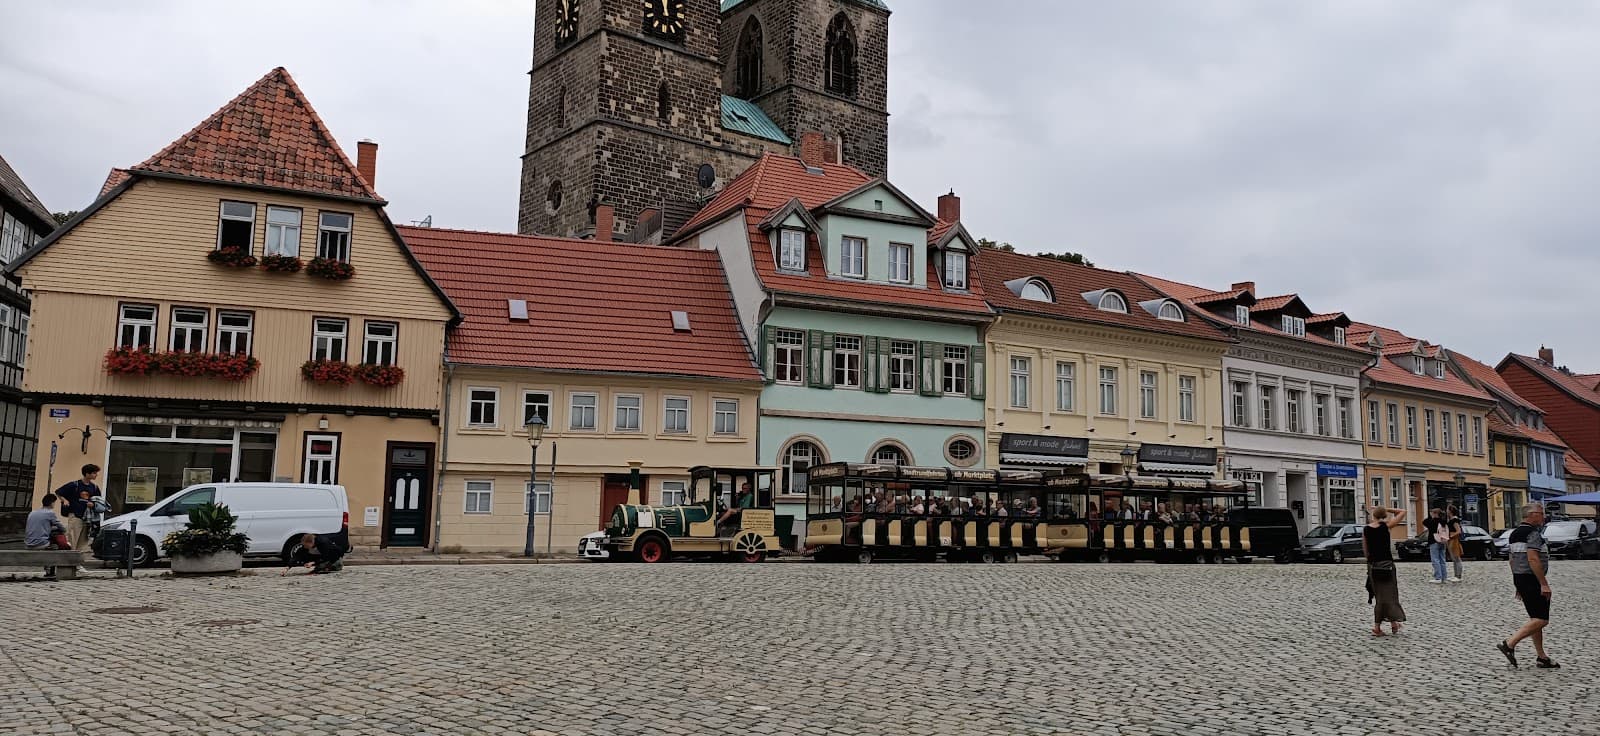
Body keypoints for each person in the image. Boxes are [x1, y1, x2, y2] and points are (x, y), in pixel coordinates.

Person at [1497, 504, 1558, 669]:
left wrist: (1517, 582)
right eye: (1541, 513)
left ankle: (1541, 657)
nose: (1543, 516)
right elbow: (1533, 559)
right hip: (1532, 579)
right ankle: (1509, 644)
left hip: (1520, 578)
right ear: (1532, 515)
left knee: (1535, 618)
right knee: (1541, 619)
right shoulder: (1533, 533)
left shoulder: (1515, 533)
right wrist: (1543, 584)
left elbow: (1512, 559)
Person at [1363, 505, 1408, 636]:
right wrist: (1387, 509)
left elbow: (1365, 549)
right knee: (1391, 595)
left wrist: (1369, 564)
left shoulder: (1366, 529)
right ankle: (1382, 626)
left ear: (1373, 515)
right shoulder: (1386, 526)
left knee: (1379, 596)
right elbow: (1403, 511)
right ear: (1384, 516)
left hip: (1374, 565)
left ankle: (1388, 624)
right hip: (1387, 564)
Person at [54, 463, 102, 553]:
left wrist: (93, 504)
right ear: (87, 474)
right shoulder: (74, 485)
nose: (96, 475)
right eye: (94, 473)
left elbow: (98, 500)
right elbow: (58, 492)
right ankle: (70, 559)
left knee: (83, 541)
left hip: (88, 517)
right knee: (72, 538)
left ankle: (77, 561)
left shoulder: (94, 487)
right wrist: (64, 500)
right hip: (76, 515)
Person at [25, 494, 71, 580]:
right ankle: (50, 572)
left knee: (52, 537)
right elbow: (62, 528)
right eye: (54, 503)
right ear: (52, 503)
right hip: (40, 543)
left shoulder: (33, 512)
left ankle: (48, 569)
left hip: (28, 543)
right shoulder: (50, 513)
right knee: (56, 546)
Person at [1422, 508, 1449, 583]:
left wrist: (1430, 516)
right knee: (1442, 560)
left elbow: (1424, 522)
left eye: (1432, 513)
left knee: (1435, 559)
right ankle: (1444, 577)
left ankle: (1438, 577)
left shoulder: (1432, 521)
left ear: (1435, 513)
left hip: (1434, 541)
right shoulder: (1443, 521)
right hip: (1443, 541)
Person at [1446, 505, 1465, 582]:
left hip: (1454, 540)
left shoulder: (1454, 520)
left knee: (1457, 558)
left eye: (1447, 509)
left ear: (1450, 511)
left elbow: (1458, 531)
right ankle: (1455, 575)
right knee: (1454, 559)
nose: (1446, 511)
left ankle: (1458, 576)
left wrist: (1452, 535)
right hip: (1450, 540)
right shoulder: (1450, 520)